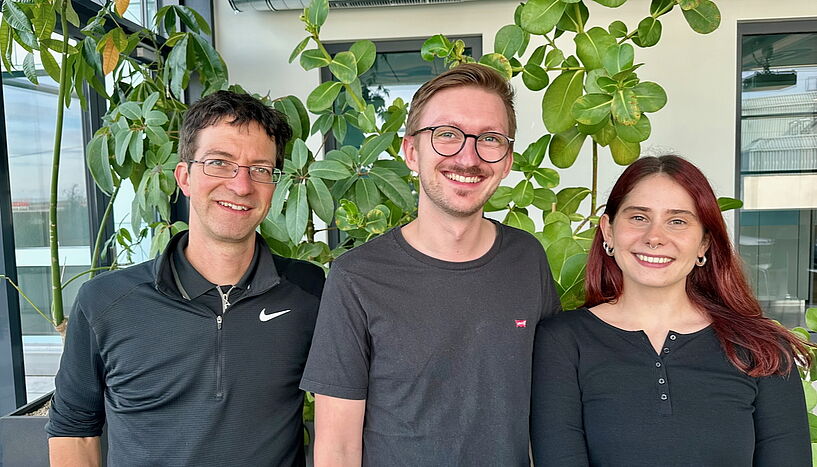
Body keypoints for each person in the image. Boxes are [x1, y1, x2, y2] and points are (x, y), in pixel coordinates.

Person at [300, 63, 561, 466]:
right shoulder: (356, 277)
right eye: (447, 135)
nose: (468, 156)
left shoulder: (527, 259)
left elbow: (544, 409)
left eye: (489, 139)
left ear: (507, 161)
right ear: (411, 152)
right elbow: (336, 448)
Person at [46, 90, 325, 466]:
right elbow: (74, 430)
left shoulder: (310, 292)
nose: (241, 186)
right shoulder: (105, 302)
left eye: (260, 169)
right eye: (219, 163)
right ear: (185, 177)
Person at [530, 155, 812, 466]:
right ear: (608, 231)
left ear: (704, 242)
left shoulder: (763, 347)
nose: (654, 237)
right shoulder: (562, 342)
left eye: (677, 221)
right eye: (638, 217)